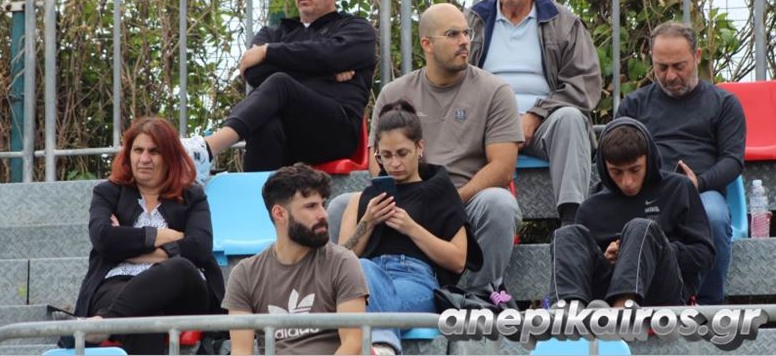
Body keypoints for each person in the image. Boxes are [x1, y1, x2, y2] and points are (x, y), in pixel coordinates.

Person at [329, 3, 523, 292]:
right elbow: (376, 161)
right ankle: (347, 294)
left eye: (466, 33)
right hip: (405, 195)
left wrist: (446, 200)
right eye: (453, 34)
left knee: (499, 204)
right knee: (341, 206)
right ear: (427, 44)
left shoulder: (495, 91)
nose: (464, 41)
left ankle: (482, 294)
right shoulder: (394, 92)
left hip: (465, 197)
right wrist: (406, 198)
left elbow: (503, 167)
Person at [182, 0, 376, 182]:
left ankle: (207, 149)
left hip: (336, 134)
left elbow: (330, 55)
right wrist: (325, 73)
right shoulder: (273, 33)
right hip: (286, 134)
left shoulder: (356, 29)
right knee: (266, 122)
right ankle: (257, 200)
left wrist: (269, 52)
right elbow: (254, 73)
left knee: (280, 83)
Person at [465, 0, 602, 226]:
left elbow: (584, 84)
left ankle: (572, 226)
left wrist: (536, 115)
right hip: (485, 126)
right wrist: (499, 122)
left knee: (570, 119)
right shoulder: (473, 21)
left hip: (542, 125)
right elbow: (453, 77)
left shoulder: (563, 22)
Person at [68, 117, 225, 355]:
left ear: (170, 156)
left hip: (182, 290)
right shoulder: (108, 192)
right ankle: (110, 322)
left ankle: (104, 324)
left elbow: (199, 247)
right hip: (116, 286)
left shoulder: (192, 196)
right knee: (142, 311)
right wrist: (161, 235)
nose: (144, 159)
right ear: (128, 154)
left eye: (154, 152)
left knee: (180, 267)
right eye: (138, 150)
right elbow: (104, 238)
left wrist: (130, 250)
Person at [616, 21, 746, 304]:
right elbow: (615, 154)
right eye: (661, 67)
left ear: (697, 56)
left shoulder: (724, 103)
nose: (670, 75)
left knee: (714, 218)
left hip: (701, 190)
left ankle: (709, 306)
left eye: (679, 66)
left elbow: (733, 160)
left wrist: (698, 182)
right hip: (647, 191)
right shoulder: (634, 105)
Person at [339, 100, 483, 354]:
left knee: (359, 303)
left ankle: (382, 345)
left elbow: (458, 260)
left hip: (414, 279)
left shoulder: (439, 190)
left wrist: (411, 228)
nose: (394, 163)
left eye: (402, 153)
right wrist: (367, 223)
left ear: (420, 148)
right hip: (366, 279)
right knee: (362, 268)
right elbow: (341, 261)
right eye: (386, 156)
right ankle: (383, 347)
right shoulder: (362, 200)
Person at [549, 117, 715, 307]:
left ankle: (623, 309)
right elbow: (586, 262)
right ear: (605, 168)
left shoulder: (678, 188)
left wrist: (652, 251)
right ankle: (568, 309)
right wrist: (606, 257)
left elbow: (704, 255)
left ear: (648, 160)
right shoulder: (591, 207)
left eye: (635, 170)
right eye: (617, 172)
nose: (627, 182)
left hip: (663, 291)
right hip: (604, 294)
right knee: (567, 234)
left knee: (640, 228)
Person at [222, 163, 368, 355]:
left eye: (323, 205)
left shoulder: (343, 262)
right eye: (311, 206)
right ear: (280, 214)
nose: (323, 214)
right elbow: (241, 351)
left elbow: (353, 345)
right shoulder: (245, 274)